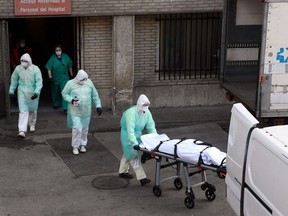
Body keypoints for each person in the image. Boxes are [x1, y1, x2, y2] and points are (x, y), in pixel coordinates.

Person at [118, 94, 157, 186]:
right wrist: (134, 143)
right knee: (133, 155)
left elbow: (151, 126)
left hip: (138, 134)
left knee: (127, 153)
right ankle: (142, 177)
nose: (145, 107)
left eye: (147, 105)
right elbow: (130, 130)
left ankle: (122, 172)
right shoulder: (131, 113)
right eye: (144, 105)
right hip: (127, 135)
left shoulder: (147, 112)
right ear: (139, 104)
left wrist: (155, 139)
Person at [62, 69, 102, 155]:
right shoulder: (70, 83)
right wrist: (72, 100)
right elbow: (64, 93)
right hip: (75, 111)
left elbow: (95, 94)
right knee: (77, 128)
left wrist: (98, 105)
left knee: (84, 128)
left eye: (85, 79)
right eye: (82, 79)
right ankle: (75, 146)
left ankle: (82, 144)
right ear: (78, 78)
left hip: (86, 110)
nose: (84, 81)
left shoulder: (89, 82)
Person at [9, 53, 43, 138]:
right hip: (22, 91)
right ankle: (22, 130)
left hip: (32, 91)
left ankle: (32, 124)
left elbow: (39, 81)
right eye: (22, 61)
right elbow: (14, 79)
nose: (23, 62)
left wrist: (36, 92)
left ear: (29, 61)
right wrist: (11, 91)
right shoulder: (18, 68)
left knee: (32, 110)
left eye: (25, 61)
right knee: (23, 111)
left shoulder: (35, 69)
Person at [45, 44, 73, 112]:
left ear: (61, 50)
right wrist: (50, 77)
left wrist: (71, 74)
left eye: (59, 50)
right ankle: (56, 104)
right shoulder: (52, 58)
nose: (58, 52)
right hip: (55, 78)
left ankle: (65, 107)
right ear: (54, 51)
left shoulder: (66, 57)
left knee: (64, 92)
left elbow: (69, 66)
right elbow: (49, 68)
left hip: (64, 78)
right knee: (55, 92)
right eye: (56, 50)